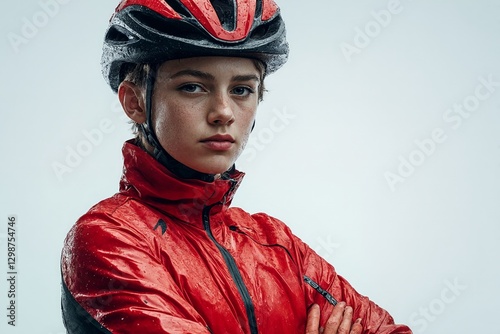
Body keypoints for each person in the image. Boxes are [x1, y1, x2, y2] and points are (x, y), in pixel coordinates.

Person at [60, 0, 412, 333]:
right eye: (193, 87)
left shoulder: (277, 244)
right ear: (135, 101)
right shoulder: (109, 238)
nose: (223, 112)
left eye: (242, 90)